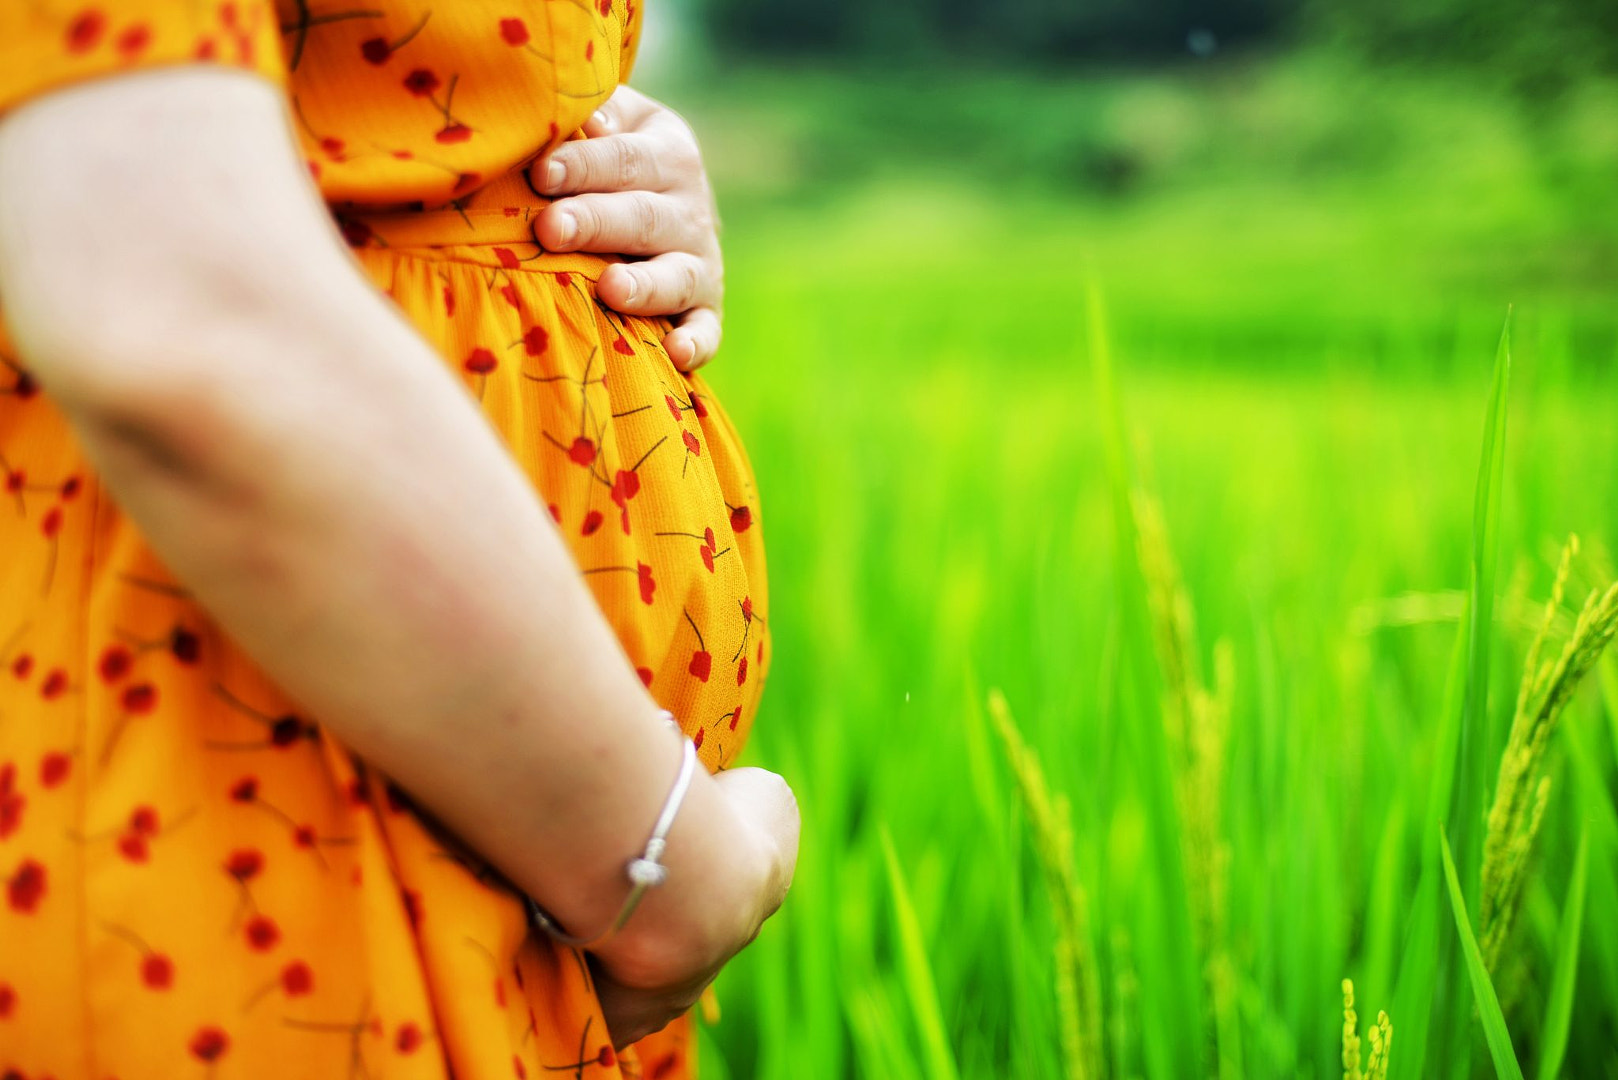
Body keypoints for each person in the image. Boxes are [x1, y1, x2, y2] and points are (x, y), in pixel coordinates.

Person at [0, 3, 799, 1078]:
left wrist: (580, 138)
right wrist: (663, 870)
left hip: (507, 843)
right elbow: (172, 304)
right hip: (250, 806)